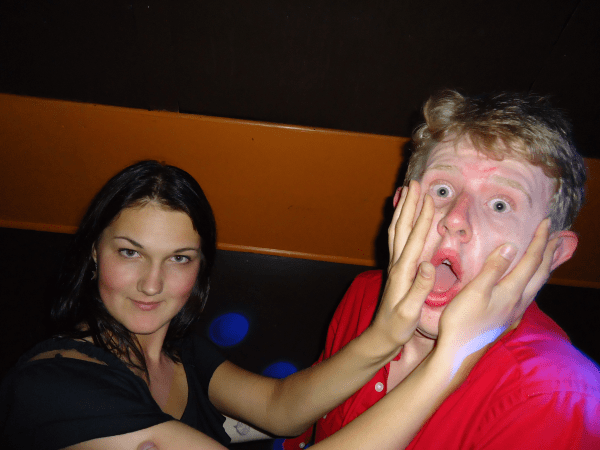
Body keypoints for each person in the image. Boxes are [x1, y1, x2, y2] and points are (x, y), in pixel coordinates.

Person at [0, 158, 553, 450]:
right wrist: (451, 359)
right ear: (93, 254)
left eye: (180, 259)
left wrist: (388, 332)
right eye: (130, 252)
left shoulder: (177, 353)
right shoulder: (53, 384)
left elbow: (281, 406)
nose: (151, 284)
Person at [284, 90, 600, 450]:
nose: (455, 219)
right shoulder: (366, 295)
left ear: (551, 253)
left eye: (500, 205)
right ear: (402, 208)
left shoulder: (554, 402)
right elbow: (290, 415)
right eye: (443, 190)